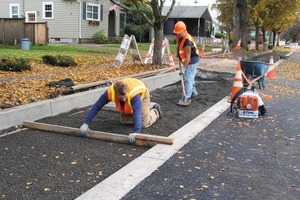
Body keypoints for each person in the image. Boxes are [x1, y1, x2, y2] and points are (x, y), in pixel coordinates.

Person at [79, 78, 162, 144]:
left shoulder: (135, 94)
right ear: (116, 93)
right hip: (130, 97)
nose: (124, 99)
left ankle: (155, 111)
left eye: (125, 96)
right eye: (121, 98)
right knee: (124, 121)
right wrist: (85, 124)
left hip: (143, 95)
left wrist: (136, 132)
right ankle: (146, 110)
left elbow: (137, 111)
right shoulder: (109, 93)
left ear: (127, 91)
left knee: (144, 123)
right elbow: (97, 106)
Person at [174, 21, 201, 106]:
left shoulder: (187, 43)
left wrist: (184, 68)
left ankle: (187, 96)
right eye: (176, 33)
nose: (177, 35)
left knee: (188, 77)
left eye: (178, 33)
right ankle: (193, 92)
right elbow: (179, 45)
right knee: (190, 76)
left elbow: (188, 58)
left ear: (184, 31)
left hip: (192, 60)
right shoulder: (181, 37)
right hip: (191, 59)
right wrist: (177, 53)